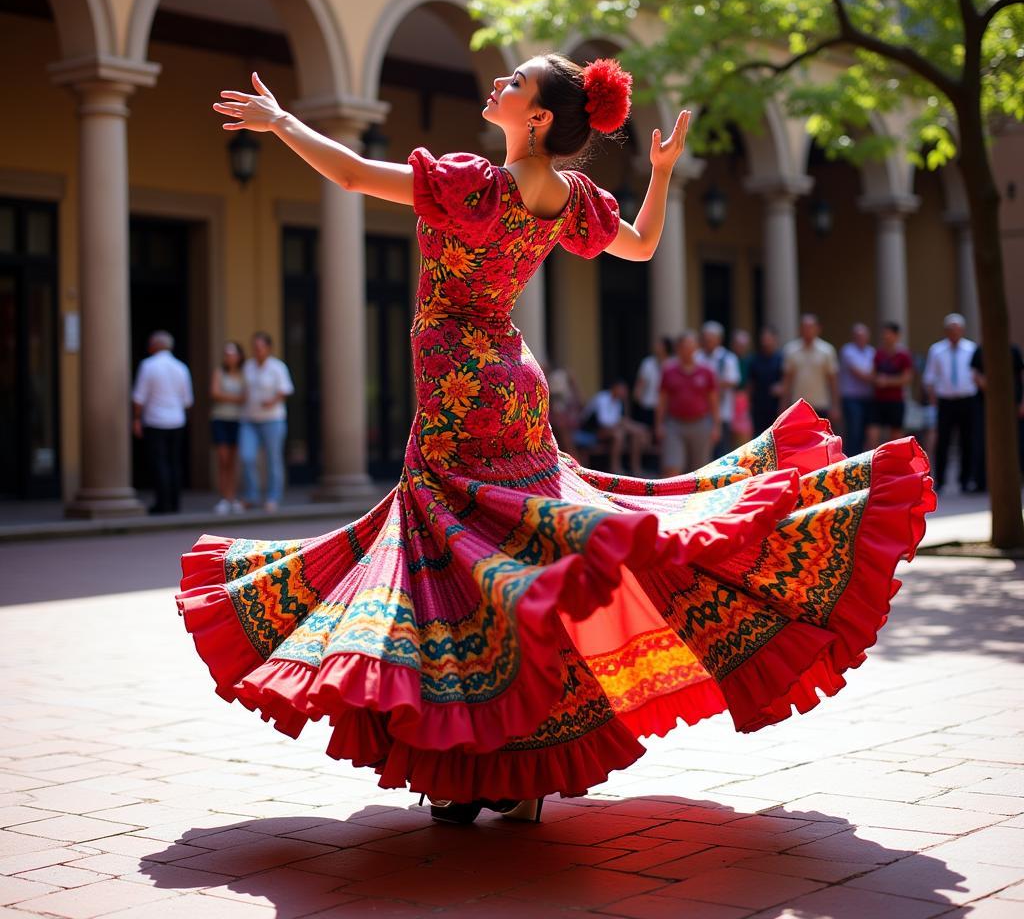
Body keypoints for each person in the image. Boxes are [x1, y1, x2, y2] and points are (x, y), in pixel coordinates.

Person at [180, 55, 932, 826]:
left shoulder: (476, 184)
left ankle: (463, 765)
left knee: (457, 571)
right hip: (512, 381)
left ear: (536, 119)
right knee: (513, 567)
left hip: (460, 392)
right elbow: (640, 244)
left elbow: (347, 174)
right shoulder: (565, 194)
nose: (499, 85)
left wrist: (281, 122)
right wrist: (661, 172)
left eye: (514, 83)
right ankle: (504, 766)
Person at [132, 330, 193, 514]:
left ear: (154, 346)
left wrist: (136, 419)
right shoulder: (181, 367)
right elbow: (188, 401)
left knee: (159, 463)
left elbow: (138, 397)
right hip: (176, 420)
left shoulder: (148, 366)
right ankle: (175, 503)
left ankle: (163, 503)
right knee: (174, 462)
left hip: (155, 420)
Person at [239, 331, 294, 511]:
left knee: (273, 459)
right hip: (250, 419)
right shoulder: (248, 366)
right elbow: (244, 389)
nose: (257, 351)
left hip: (273, 419)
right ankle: (251, 495)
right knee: (247, 456)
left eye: (260, 347)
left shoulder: (277, 367)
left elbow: (286, 389)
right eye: (254, 347)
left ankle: (273, 497)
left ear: (268, 348)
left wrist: (272, 400)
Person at [923, 313, 977, 493]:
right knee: (943, 442)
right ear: (946, 331)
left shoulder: (971, 349)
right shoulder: (936, 350)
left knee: (967, 441)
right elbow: (930, 378)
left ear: (962, 330)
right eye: (951, 330)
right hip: (945, 401)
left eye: (958, 329)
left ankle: (965, 480)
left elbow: (975, 376)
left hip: (967, 400)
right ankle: (941, 481)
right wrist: (933, 403)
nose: (954, 333)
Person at [655, 331, 719, 477]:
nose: (688, 350)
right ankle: (671, 499)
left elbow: (713, 401)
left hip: (701, 424)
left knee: (701, 471)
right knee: (671, 468)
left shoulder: (706, 371)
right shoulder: (669, 370)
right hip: (674, 425)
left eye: (692, 346)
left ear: (696, 348)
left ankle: (698, 500)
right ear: (678, 349)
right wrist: (659, 425)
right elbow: (662, 400)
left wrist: (716, 426)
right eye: (685, 347)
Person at [968, 339, 1024, 491]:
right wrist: (985, 383)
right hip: (984, 404)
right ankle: (981, 482)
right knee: (982, 442)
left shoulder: (1013, 350)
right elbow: (974, 373)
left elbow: (1020, 375)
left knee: (1016, 441)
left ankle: (1017, 478)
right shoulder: (981, 350)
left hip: (1012, 403)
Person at [583, 378, 650, 475]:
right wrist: (624, 425)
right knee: (619, 435)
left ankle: (635, 468)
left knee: (634, 435)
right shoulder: (602, 398)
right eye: (622, 389)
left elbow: (619, 420)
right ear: (614, 388)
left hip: (607, 431)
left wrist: (626, 404)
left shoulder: (618, 402)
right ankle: (615, 467)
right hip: (591, 431)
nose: (623, 392)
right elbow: (603, 422)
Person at [782, 314, 841, 423]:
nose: (807, 330)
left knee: (821, 440)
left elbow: (833, 380)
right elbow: (787, 381)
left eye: (810, 327)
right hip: (798, 406)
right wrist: (783, 406)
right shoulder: (790, 350)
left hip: (821, 405)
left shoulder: (827, 351)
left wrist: (835, 406)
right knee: (799, 439)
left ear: (817, 329)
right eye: (804, 327)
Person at [210, 340, 246, 515]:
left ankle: (233, 497)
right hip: (221, 420)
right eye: (226, 354)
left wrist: (228, 397)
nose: (229, 357)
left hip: (238, 420)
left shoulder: (244, 374)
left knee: (234, 461)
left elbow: (247, 396)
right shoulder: (219, 372)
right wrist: (237, 398)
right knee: (223, 459)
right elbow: (215, 393)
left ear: (239, 356)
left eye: (232, 353)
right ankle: (224, 497)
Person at [696, 320, 741, 457]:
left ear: (718, 339)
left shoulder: (728, 358)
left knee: (721, 451)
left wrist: (709, 385)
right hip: (700, 413)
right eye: (705, 339)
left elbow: (733, 380)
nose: (707, 342)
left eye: (710, 339)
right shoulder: (696, 356)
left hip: (723, 412)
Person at [867, 322, 913, 448]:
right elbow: (873, 374)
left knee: (896, 436)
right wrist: (876, 379)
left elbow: (907, 378)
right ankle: (872, 462)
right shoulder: (879, 354)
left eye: (889, 334)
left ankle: (895, 464)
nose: (886, 336)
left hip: (895, 401)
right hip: (878, 400)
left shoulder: (903, 355)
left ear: (896, 335)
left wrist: (887, 381)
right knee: (872, 432)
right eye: (884, 334)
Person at [838, 323, 875, 456]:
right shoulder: (848, 351)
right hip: (851, 398)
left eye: (864, 336)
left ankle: (862, 460)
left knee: (866, 432)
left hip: (868, 398)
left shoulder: (872, 352)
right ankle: (851, 460)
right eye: (858, 336)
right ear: (853, 337)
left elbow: (873, 371)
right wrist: (882, 379)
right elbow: (860, 373)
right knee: (854, 431)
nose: (861, 338)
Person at [748, 325, 784, 435]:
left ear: (775, 339)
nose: (765, 342)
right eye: (763, 339)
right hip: (758, 407)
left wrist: (781, 387)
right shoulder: (754, 359)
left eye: (768, 339)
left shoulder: (781, 359)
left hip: (776, 407)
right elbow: (750, 384)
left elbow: (787, 381)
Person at [633, 335, 674, 430]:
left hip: (666, 406)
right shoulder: (647, 363)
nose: (656, 347)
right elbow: (640, 383)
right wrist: (638, 397)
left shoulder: (673, 363)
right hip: (648, 404)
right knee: (646, 433)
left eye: (659, 345)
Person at [730, 329, 754, 445]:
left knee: (744, 439)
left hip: (745, 401)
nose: (741, 348)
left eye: (743, 345)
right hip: (729, 400)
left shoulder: (751, 361)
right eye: (738, 345)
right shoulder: (727, 360)